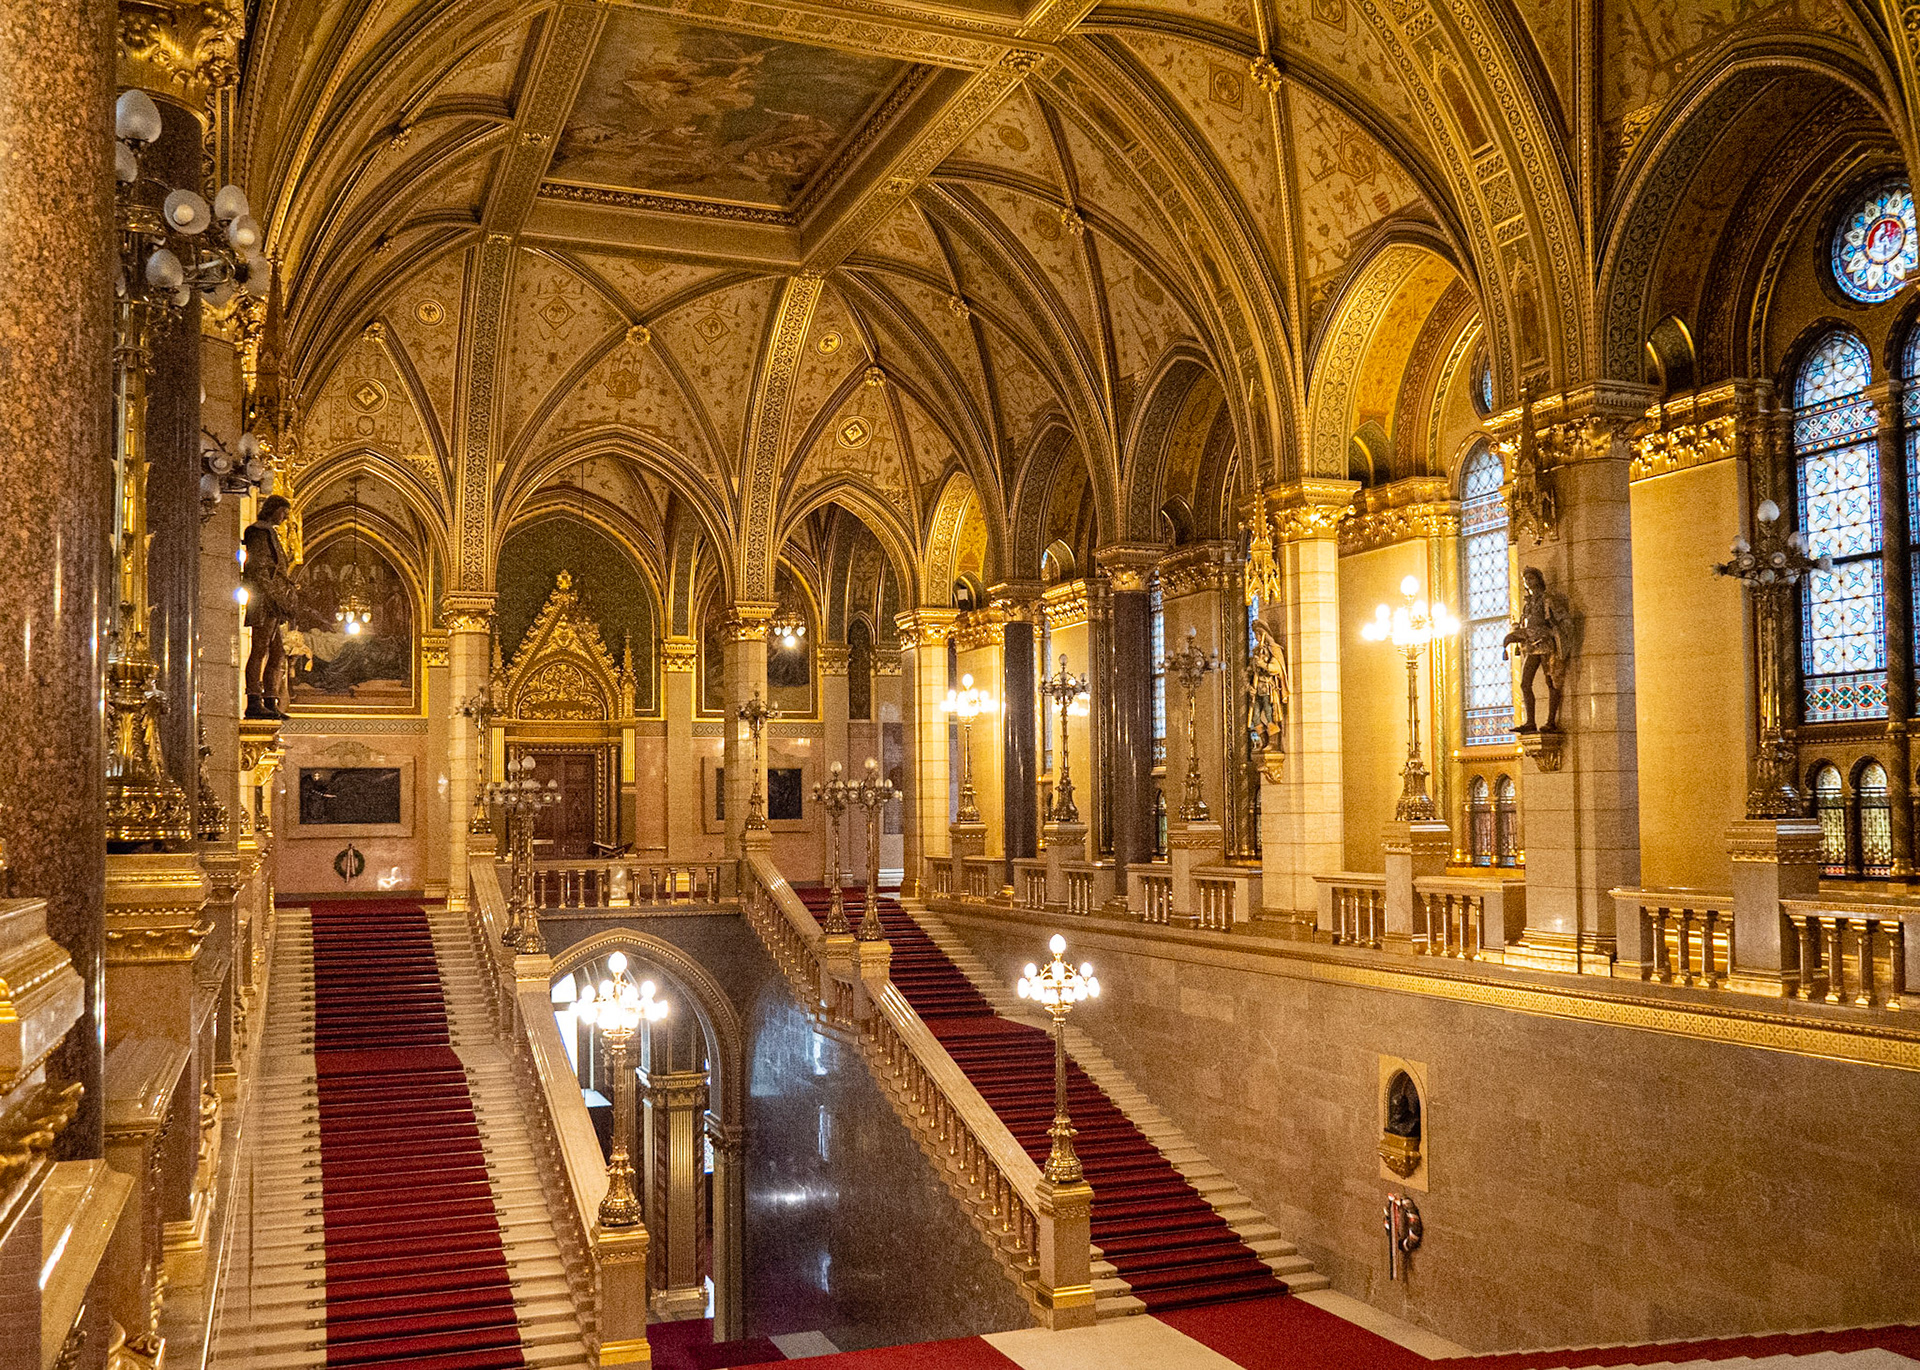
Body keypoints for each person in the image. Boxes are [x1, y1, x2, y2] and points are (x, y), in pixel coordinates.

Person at [242, 495, 302, 719]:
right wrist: (274, 596)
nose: (285, 517)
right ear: (273, 509)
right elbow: (258, 569)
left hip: (275, 603)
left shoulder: (271, 532)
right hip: (265, 600)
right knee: (260, 649)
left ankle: (270, 699)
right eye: (282, 512)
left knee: (277, 653)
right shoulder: (258, 532)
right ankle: (254, 701)